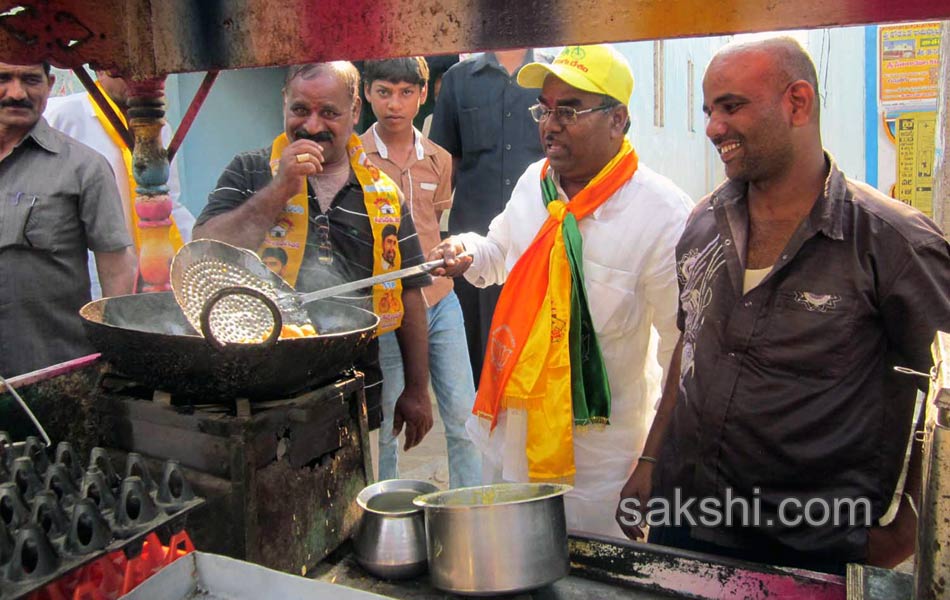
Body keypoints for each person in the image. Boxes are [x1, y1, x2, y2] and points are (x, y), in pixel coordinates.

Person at [616, 37, 950, 574]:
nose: (712, 128)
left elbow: (944, 395)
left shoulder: (891, 242)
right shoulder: (703, 225)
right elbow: (691, 346)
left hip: (816, 543)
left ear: (798, 103)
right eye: (708, 111)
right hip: (689, 520)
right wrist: (651, 461)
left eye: (731, 106)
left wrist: (908, 531)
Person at [430, 45, 692, 535]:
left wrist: (653, 461)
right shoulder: (536, 184)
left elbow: (682, 352)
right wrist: (465, 249)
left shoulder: (663, 216)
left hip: (598, 464)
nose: (549, 124)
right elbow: (499, 253)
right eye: (545, 109)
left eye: (569, 110)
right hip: (512, 434)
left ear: (618, 120)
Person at [193, 62, 433, 447]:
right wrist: (280, 188)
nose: (313, 126)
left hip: (355, 389)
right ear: (284, 104)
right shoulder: (251, 170)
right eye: (300, 110)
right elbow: (206, 253)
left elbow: (410, 291)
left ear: (355, 111)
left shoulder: (385, 194)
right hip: (257, 392)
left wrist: (418, 389)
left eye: (330, 113)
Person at [360, 57, 481, 488]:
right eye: (384, 92)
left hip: (440, 301)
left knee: (464, 415)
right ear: (367, 93)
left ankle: (469, 507)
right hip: (390, 308)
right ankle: (385, 507)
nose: (395, 103)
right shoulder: (357, 158)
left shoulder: (439, 159)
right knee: (391, 419)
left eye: (406, 92)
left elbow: (437, 222)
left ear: (422, 96)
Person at [0, 61, 136, 377]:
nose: (17, 93)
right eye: (3, 78)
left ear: (49, 84)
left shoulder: (84, 167)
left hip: (52, 374)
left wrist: (118, 353)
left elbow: (116, 266)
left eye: (31, 80)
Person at [429, 48, 549, 383]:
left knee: (536, 351)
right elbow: (443, 166)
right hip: (473, 248)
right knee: (478, 357)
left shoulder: (551, 78)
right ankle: (482, 429)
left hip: (537, 243)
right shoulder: (458, 80)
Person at [45, 70, 195, 298]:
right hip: (87, 273)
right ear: (100, 70)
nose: (137, 77)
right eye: (122, 71)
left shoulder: (159, 127)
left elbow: (170, 201)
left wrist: (196, 252)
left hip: (151, 271)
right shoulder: (62, 116)